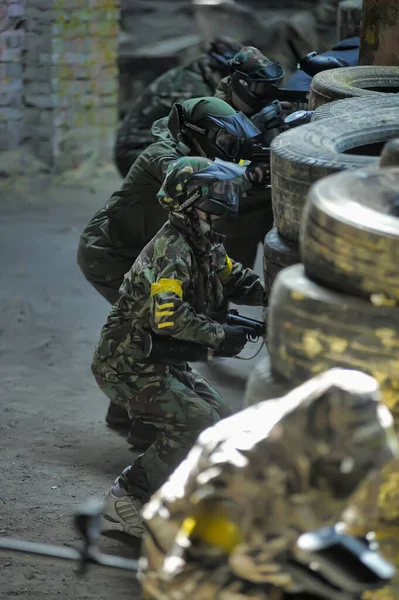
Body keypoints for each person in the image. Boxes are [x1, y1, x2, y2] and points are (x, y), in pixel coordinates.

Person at [95, 156, 266, 536]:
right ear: (191, 201)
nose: (224, 198)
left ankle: (176, 499)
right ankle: (124, 496)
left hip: (159, 359)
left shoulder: (201, 240)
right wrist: (221, 337)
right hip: (126, 364)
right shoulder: (172, 251)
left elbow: (234, 277)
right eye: (216, 193)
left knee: (220, 423)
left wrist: (278, 294)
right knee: (195, 424)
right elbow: (168, 319)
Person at [78, 96, 266, 440]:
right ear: (198, 133)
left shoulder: (200, 157)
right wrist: (250, 175)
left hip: (144, 248)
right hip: (109, 252)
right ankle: (149, 421)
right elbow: (196, 181)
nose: (226, 148)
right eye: (222, 140)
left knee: (153, 327)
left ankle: (133, 412)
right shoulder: (163, 157)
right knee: (152, 324)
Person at [139, 368, 398, 600]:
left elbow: (356, 515)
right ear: (321, 450)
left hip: (271, 545)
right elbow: (183, 580)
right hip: (187, 568)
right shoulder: (236, 474)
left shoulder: (338, 447)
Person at [114, 38, 242, 178]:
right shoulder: (191, 91)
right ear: (218, 72)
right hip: (136, 151)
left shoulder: (197, 75)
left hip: (149, 147)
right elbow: (202, 139)